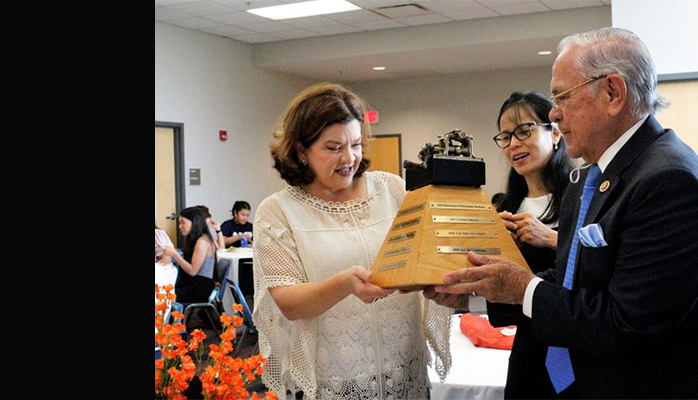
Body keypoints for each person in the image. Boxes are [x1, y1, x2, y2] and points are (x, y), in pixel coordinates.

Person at [430, 28, 698, 399]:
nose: (554, 113)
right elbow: (576, 277)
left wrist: (521, 287)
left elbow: (625, 322)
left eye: (562, 96)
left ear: (613, 93)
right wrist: (479, 296)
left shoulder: (668, 179)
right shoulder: (593, 175)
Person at [252, 83, 453, 399]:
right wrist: (343, 284)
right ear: (301, 150)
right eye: (333, 148)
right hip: (334, 378)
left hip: (404, 367)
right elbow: (288, 301)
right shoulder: (278, 211)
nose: (350, 158)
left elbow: (427, 256)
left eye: (356, 144)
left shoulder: (392, 190)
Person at [489, 91, 575, 398]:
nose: (514, 144)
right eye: (506, 136)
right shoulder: (501, 206)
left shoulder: (582, 197)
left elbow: (594, 271)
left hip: (578, 348)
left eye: (524, 131)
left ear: (554, 133)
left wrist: (550, 238)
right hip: (528, 350)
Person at [162, 207, 217, 305]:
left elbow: (192, 271)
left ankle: (167, 319)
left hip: (199, 289)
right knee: (162, 290)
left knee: (162, 295)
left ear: (194, 222)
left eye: (183, 223)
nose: (180, 226)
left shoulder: (202, 241)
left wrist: (175, 254)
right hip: (191, 285)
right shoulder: (195, 240)